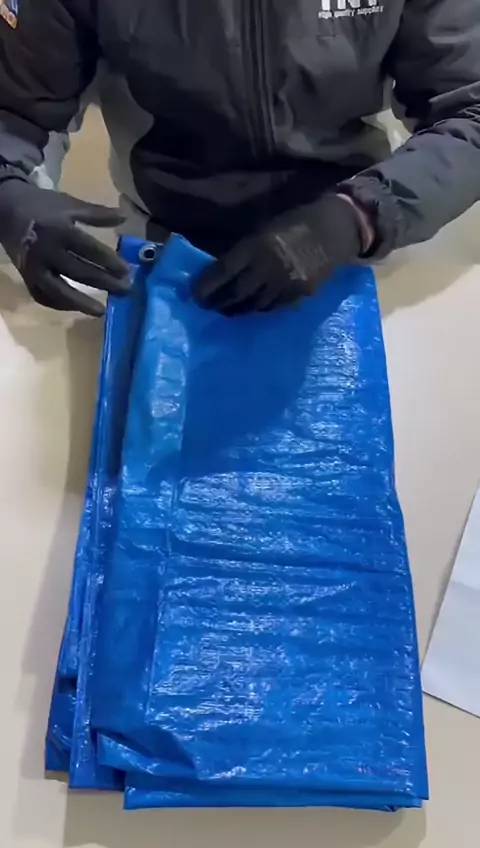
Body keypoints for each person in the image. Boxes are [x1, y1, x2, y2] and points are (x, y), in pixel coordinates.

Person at [0, 0, 479, 317]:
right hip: (163, 247)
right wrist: (10, 196)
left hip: (358, 245)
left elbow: (470, 111)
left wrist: (357, 216)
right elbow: (15, 111)